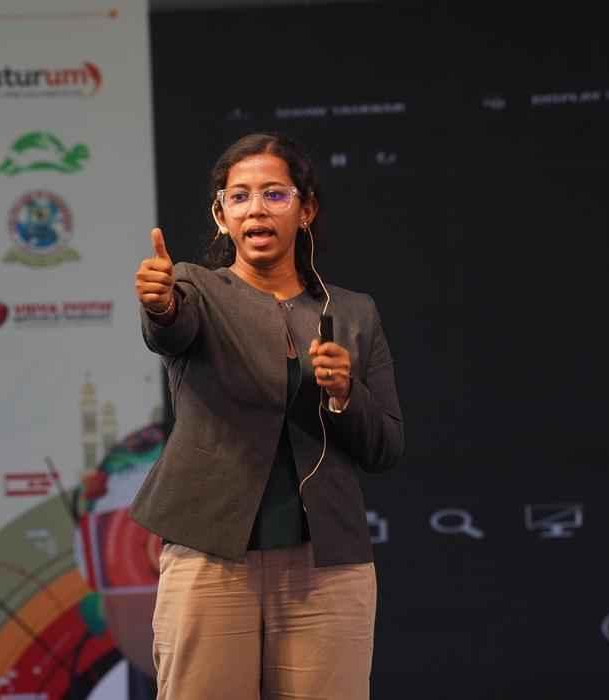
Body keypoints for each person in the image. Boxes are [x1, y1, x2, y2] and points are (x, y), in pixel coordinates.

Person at [130, 132, 405, 700]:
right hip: (211, 555)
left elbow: (385, 447)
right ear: (221, 215)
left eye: (275, 194)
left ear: (306, 210)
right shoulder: (195, 289)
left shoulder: (353, 312)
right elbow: (171, 326)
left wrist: (344, 392)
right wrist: (160, 305)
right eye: (239, 196)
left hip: (326, 567)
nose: (256, 208)